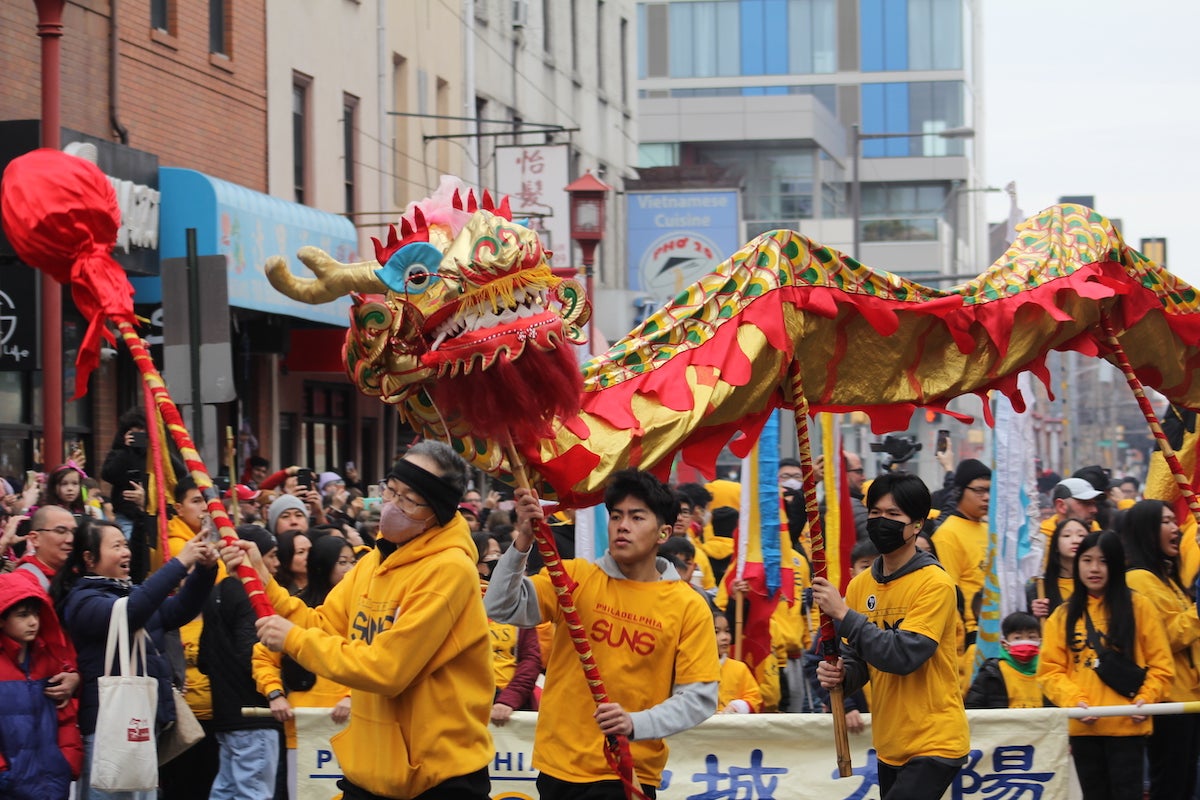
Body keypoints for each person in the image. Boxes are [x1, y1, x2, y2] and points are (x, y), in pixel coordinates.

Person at [226, 440, 493, 800]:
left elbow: (389, 669)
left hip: (435, 780)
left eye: (408, 500)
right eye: (390, 491)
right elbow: (322, 625)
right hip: (371, 773)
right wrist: (264, 581)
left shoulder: (449, 569)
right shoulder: (373, 560)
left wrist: (293, 640)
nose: (391, 506)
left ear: (438, 511)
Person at [486, 469, 719, 799]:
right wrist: (522, 541)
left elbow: (699, 698)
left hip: (627, 772)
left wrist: (635, 723)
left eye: (637, 517)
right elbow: (499, 607)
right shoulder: (575, 576)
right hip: (557, 768)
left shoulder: (688, 606)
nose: (622, 525)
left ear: (664, 532)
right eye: (616, 516)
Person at [811, 472, 969, 800]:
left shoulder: (935, 584)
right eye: (875, 513)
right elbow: (860, 661)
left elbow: (902, 656)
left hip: (935, 740)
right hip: (889, 743)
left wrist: (843, 614)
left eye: (894, 514)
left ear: (917, 525)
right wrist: (840, 675)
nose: (881, 521)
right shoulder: (859, 586)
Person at [55, 519, 218, 800]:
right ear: (89, 558)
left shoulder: (133, 593)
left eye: (125, 545)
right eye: (116, 546)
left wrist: (204, 570)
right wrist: (179, 563)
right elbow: (129, 613)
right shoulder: (82, 601)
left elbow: (178, 610)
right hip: (106, 730)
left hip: (143, 724)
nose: (126, 552)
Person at [1037, 530, 1174, 800]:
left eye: (1103, 561)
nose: (1094, 569)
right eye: (1087, 560)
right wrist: (1074, 702)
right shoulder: (1063, 615)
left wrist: (1147, 698)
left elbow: (1162, 667)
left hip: (1128, 726)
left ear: (1117, 564)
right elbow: (1050, 671)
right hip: (1084, 728)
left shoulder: (1140, 606)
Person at [1120, 500, 1200, 798]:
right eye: (1165, 522)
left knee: (1186, 781)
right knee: (1170, 783)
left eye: (1174, 520)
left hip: (1190, 698)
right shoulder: (1138, 579)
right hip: (1168, 699)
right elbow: (1168, 636)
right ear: (1146, 531)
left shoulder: (1169, 580)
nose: (1175, 528)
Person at [199, 525, 283, 800]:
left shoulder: (217, 592)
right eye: (270, 555)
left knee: (225, 790)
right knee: (253, 793)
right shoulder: (252, 596)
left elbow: (203, 659)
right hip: (254, 715)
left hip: (225, 715)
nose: (275, 563)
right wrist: (278, 688)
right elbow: (254, 655)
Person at [0, 570, 83, 799]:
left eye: (36, 613)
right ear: (2, 619)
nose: (33, 621)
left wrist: (68, 761)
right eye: (23, 615)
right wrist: (3, 774)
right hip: (9, 787)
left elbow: (66, 715)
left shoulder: (49, 659)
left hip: (53, 782)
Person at [930, 459, 991, 647]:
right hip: (971, 635)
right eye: (979, 490)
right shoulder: (947, 534)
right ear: (960, 491)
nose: (987, 497)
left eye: (990, 490)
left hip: (993, 627)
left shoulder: (988, 528)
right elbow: (950, 593)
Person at [965, 611, 1046, 709]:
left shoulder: (1048, 672)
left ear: (1040, 642)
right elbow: (973, 708)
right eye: (1018, 638)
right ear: (1005, 643)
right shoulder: (992, 673)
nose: (1025, 641)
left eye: (1031, 637)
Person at [1029, 518, 1089, 620]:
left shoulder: (1097, 582)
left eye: (1081, 536)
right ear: (1055, 545)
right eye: (1067, 535)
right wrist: (1033, 614)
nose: (1075, 541)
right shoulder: (1039, 589)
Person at [713, 613, 762, 713]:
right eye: (716, 632)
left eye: (727, 631)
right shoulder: (692, 668)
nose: (725, 637)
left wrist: (736, 707)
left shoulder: (739, 668)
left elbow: (755, 698)